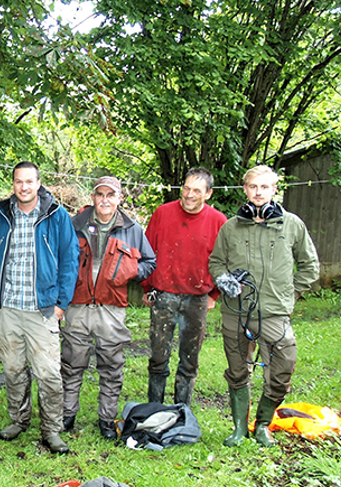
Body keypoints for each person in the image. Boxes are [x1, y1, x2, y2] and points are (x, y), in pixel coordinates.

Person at [208, 165, 319, 447]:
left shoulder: (292, 224)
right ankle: (239, 428)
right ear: (245, 189)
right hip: (237, 312)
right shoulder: (231, 227)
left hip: (274, 313)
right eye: (253, 187)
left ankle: (263, 425)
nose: (258, 192)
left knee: (283, 367)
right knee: (237, 371)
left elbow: (310, 265)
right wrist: (225, 282)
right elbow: (216, 262)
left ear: (274, 190)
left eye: (265, 187)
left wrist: (288, 295)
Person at [0, 161, 79, 455]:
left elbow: (70, 260)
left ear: (38, 183)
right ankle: (18, 420)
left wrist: (61, 303)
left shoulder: (56, 216)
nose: (24, 187)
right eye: (18, 182)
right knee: (13, 370)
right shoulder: (2, 216)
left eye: (29, 182)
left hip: (42, 310)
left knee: (48, 373)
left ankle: (52, 430)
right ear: (13, 184)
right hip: (7, 308)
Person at [62, 176, 156, 440]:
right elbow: (59, 258)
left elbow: (150, 262)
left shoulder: (132, 229)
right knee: (71, 362)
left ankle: (106, 418)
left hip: (112, 308)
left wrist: (130, 270)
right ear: (92, 197)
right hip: (77, 306)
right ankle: (67, 415)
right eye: (100, 194)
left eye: (110, 195)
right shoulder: (74, 225)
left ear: (119, 198)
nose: (105, 200)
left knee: (111, 365)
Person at [141, 168, 227, 406]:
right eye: (186, 188)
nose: (189, 195)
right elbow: (146, 252)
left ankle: (182, 411)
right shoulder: (163, 213)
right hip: (163, 295)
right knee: (158, 358)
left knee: (189, 360)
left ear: (208, 194)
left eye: (196, 191)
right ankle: (154, 409)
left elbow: (224, 261)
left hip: (197, 298)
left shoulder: (218, 221)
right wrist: (148, 287)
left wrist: (214, 295)